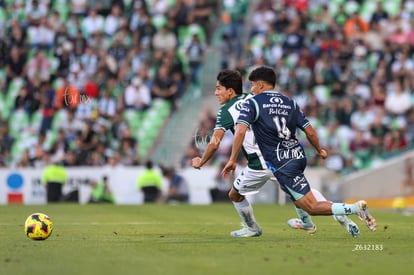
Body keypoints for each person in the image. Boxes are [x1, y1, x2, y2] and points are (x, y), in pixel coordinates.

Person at [192, 69, 360, 238]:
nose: (215, 93)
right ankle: (337, 212)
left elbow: (214, 143)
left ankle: (252, 228)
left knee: (235, 194)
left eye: (218, 88)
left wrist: (201, 161)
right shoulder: (257, 99)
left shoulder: (226, 110)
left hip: (259, 164)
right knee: (300, 192)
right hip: (283, 157)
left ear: (230, 91)